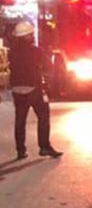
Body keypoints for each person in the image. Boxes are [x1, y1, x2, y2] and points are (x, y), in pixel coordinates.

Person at [8, 21, 62, 159]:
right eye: (31, 34)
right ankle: (44, 147)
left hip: (17, 90)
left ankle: (21, 150)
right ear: (27, 36)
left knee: (20, 120)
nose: (33, 36)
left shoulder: (11, 52)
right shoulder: (35, 51)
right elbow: (48, 66)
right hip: (33, 88)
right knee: (43, 116)